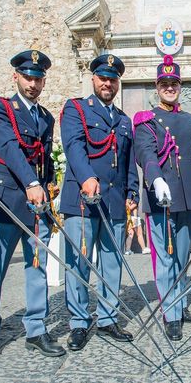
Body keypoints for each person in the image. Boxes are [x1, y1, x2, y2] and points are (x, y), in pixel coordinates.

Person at [0, 50, 65, 363]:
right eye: (28, 77)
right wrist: (32, 183)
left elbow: (43, 159)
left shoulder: (46, 117)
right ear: (16, 76)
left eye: (39, 78)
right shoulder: (1, 106)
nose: (33, 83)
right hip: (7, 199)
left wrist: (49, 185)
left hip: (37, 204)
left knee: (37, 266)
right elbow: (8, 148)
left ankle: (36, 328)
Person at [60, 54, 139, 351]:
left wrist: (133, 192)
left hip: (115, 201)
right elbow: (74, 146)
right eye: (103, 77)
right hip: (83, 199)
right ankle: (79, 322)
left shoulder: (123, 119)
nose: (107, 83)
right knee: (79, 263)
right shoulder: (76, 109)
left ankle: (107, 318)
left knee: (111, 264)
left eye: (113, 79)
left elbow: (128, 160)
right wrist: (86, 177)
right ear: (93, 79)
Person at [133, 55, 191, 341]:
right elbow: (145, 153)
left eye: (174, 83)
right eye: (164, 83)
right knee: (166, 259)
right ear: (157, 87)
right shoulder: (147, 120)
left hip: (189, 198)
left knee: (181, 258)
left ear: (179, 85)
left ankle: (178, 303)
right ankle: (171, 314)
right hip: (162, 199)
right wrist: (156, 180)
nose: (169, 87)